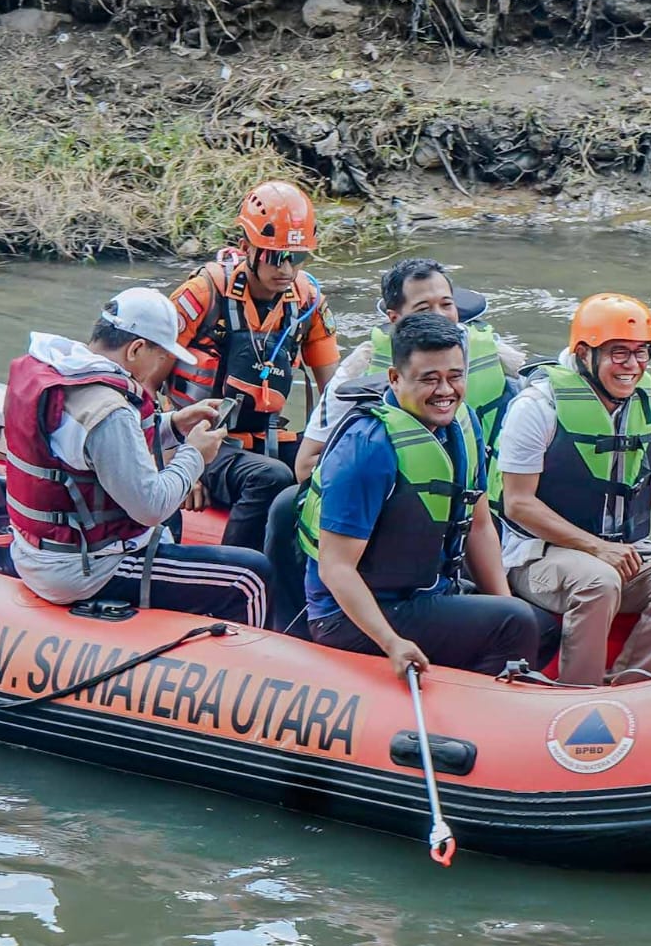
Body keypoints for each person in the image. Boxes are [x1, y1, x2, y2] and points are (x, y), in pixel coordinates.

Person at [495, 294, 651, 685]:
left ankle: (626, 682)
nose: (632, 365)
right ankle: (576, 691)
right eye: (618, 353)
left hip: (618, 552)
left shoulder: (645, 408)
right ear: (584, 353)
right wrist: (597, 547)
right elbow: (518, 503)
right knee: (599, 581)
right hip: (535, 558)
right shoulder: (537, 406)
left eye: (642, 352)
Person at [5, 288, 274, 626]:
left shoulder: (63, 372)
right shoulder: (108, 410)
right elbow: (151, 507)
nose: (163, 365)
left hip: (42, 552)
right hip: (85, 570)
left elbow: (97, 449)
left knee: (172, 528)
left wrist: (174, 423)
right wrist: (195, 455)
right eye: (161, 356)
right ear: (136, 349)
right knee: (249, 577)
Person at [296, 312, 541, 677]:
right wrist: (391, 641)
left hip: (424, 594)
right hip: (351, 616)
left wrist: (501, 601)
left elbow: (479, 526)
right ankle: (478, 710)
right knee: (514, 623)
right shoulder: (367, 447)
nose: (445, 391)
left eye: (455, 377)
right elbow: (336, 567)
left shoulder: (464, 423)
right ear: (395, 378)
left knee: (534, 620)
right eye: (429, 379)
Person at [167, 180, 339, 553]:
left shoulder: (308, 302)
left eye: (298, 258)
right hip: (203, 442)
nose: (288, 270)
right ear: (247, 248)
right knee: (272, 477)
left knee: (342, 467)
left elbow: (335, 390)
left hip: (267, 437)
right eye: (277, 257)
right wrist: (177, 464)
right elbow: (144, 376)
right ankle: (233, 570)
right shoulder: (203, 293)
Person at [291, 257, 524, 482]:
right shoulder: (359, 370)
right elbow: (306, 465)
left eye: (446, 304)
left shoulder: (497, 355)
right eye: (423, 309)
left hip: (485, 493)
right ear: (395, 318)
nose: (439, 317)